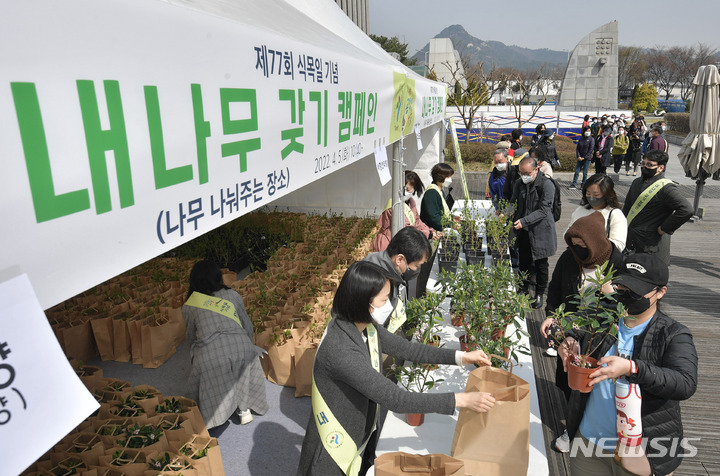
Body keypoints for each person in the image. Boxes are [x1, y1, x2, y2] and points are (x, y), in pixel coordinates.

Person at [297, 261, 495, 476]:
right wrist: (462, 400)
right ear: (363, 302)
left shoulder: (362, 326)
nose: (389, 306)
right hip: (333, 450)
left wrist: (462, 356)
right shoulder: (341, 350)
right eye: (384, 300)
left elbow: (408, 349)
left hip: (360, 431)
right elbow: (397, 400)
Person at [558, 254, 697, 476]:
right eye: (622, 286)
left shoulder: (673, 334)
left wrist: (633, 368)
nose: (627, 294)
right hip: (589, 441)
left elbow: (685, 383)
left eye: (637, 289)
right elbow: (577, 327)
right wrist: (570, 339)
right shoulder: (604, 315)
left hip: (641, 451)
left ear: (660, 292)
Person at [541, 210, 625, 452]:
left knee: (593, 383)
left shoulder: (616, 262)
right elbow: (556, 287)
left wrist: (611, 292)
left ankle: (579, 428)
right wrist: (551, 314)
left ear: (596, 241)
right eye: (573, 244)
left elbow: (627, 304)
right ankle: (572, 422)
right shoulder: (569, 259)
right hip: (571, 326)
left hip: (602, 332)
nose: (576, 249)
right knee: (570, 375)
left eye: (581, 244)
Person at [182, 260, 268, 430]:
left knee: (212, 371)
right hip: (242, 347)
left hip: (210, 354)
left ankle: (213, 418)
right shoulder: (233, 295)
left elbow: (191, 337)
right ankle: (244, 411)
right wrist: (248, 345)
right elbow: (247, 326)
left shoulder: (189, 305)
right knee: (242, 367)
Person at [622, 150, 693, 265]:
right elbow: (627, 208)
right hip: (632, 241)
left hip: (652, 244)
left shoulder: (666, 188)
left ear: (660, 168)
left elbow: (686, 209)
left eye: (649, 165)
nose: (644, 167)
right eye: (643, 164)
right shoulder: (636, 182)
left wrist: (664, 228)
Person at [510, 155, 557, 309]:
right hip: (523, 229)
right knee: (523, 260)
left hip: (541, 230)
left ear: (536, 170)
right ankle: (523, 288)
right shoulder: (519, 183)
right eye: (521, 173)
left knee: (541, 264)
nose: (524, 177)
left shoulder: (547, 185)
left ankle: (539, 293)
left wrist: (524, 221)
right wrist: (505, 212)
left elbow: (544, 210)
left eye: (527, 174)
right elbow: (514, 202)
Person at [365, 226, 431, 332]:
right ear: (399, 259)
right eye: (417, 266)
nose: (417, 270)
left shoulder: (384, 264)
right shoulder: (376, 279)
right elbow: (372, 327)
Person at [371, 171, 438, 252]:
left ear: (414, 189)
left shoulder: (411, 202)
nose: (404, 192)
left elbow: (417, 222)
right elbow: (406, 228)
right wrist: (428, 234)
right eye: (403, 188)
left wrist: (430, 231)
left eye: (407, 189)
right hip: (388, 244)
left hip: (401, 243)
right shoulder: (394, 205)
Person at [566, 174, 627, 251]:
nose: (591, 198)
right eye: (588, 193)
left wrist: (591, 243)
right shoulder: (580, 210)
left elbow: (619, 244)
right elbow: (567, 231)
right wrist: (573, 239)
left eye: (596, 194)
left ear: (607, 194)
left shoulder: (615, 214)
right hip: (577, 257)